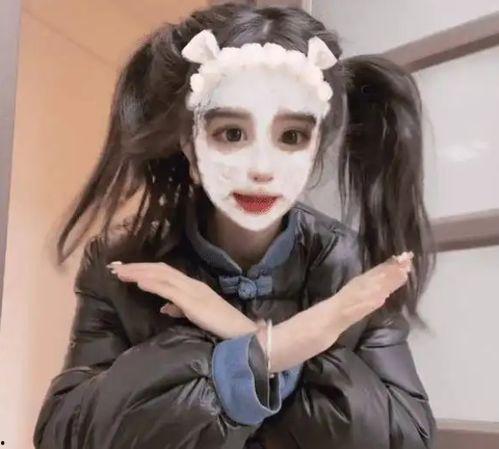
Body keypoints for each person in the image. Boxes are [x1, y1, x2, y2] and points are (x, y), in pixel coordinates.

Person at [33, 3, 437, 449]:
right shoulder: (123, 263)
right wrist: (261, 354)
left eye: (291, 136)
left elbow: (409, 438)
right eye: (231, 133)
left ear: (316, 146)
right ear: (189, 144)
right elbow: (64, 434)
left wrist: (244, 334)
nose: (261, 168)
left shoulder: (353, 266)